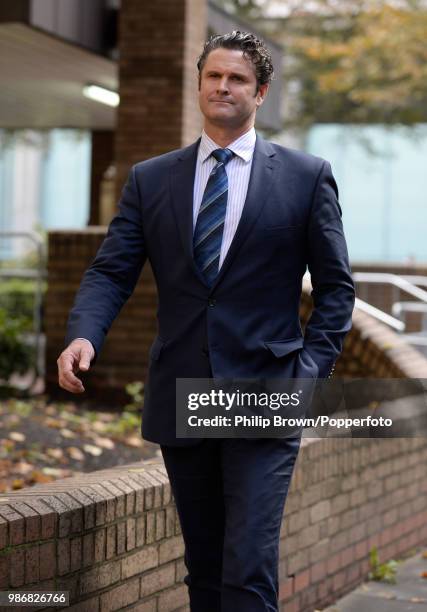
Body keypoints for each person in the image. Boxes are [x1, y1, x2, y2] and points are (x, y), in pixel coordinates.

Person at [58, 31, 355, 612]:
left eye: (238, 79)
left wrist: (310, 370)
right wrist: (83, 334)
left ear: (261, 91)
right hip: (182, 390)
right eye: (213, 76)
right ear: (199, 85)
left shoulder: (304, 175)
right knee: (205, 569)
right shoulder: (152, 178)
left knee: (247, 567)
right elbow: (111, 271)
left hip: (267, 393)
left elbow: (337, 287)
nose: (223, 87)